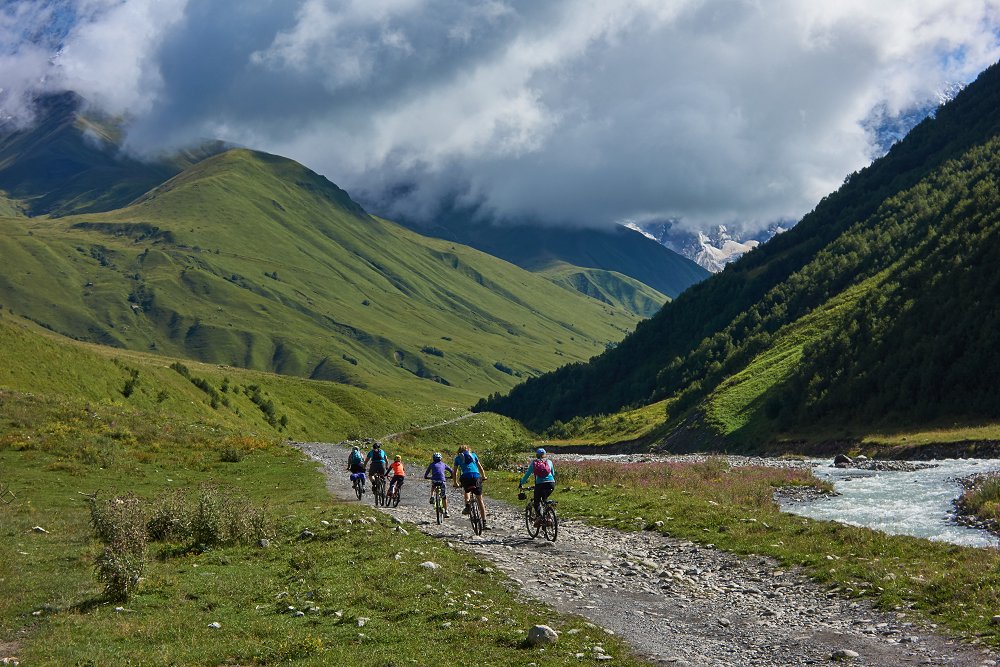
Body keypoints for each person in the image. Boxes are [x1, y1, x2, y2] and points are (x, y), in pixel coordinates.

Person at [453, 444, 488, 528]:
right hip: (476, 477)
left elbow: (455, 472)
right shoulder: (473, 455)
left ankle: (467, 506)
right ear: (468, 449)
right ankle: (484, 522)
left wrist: (455, 482)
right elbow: (480, 467)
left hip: (465, 478)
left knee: (466, 490)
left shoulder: (457, 458)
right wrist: (483, 476)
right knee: (480, 500)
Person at [519, 447, 556, 526]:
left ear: (536, 455)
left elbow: (527, 475)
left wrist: (521, 483)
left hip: (540, 484)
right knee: (545, 499)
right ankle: (548, 516)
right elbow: (553, 474)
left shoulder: (534, 463)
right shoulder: (549, 462)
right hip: (551, 483)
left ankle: (539, 518)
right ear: (545, 455)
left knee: (537, 501)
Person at [424, 452, 454, 517]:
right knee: (444, 496)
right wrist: (451, 476)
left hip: (434, 480)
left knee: (433, 486)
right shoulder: (444, 464)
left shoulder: (431, 464)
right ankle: (446, 511)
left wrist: (426, 477)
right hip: (442, 481)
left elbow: (426, 473)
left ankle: (432, 496)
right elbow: (451, 471)